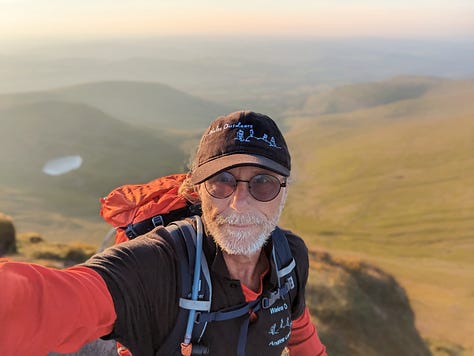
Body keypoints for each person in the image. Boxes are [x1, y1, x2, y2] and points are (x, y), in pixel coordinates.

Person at [0, 111, 327, 356]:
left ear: (284, 192)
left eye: (263, 183)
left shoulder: (289, 259)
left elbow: (300, 333)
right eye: (221, 181)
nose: (239, 203)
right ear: (198, 191)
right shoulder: (155, 265)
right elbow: (43, 300)